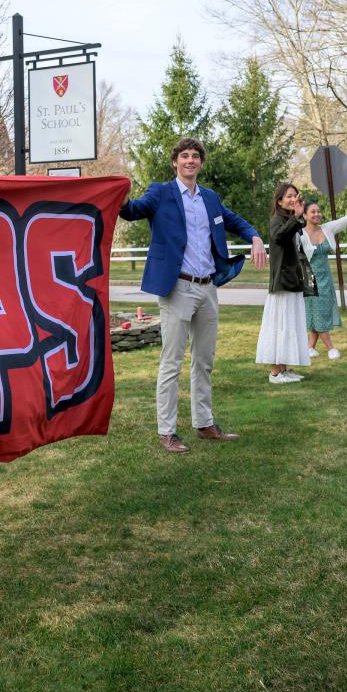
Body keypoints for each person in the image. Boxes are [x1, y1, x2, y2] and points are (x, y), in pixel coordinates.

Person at [119, 137, 267, 454]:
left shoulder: (210, 198)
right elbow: (133, 211)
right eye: (184, 156)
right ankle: (167, 431)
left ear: (201, 162)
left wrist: (253, 235)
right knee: (171, 362)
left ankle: (204, 424)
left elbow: (233, 220)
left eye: (195, 156)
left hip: (208, 287)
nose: (190, 160)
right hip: (177, 287)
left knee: (204, 361)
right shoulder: (161, 192)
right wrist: (119, 194)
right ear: (175, 162)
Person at [299, 185, 347, 360]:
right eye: (312, 212)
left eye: (318, 211)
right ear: (304, 215)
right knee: (317, 309)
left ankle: (309, 348)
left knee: (322, 310)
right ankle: (331, 348)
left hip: (325, 276)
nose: (317, 214)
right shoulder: (299, 234)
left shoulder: (327, 229)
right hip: (308, 276)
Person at [254, 184, 314, 384]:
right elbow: (280, 236)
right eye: (289, 196)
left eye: (295, 196)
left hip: (294, 281)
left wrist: (296, 219)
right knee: (279, 325)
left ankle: (285, 368)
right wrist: (296, 217)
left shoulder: (291, 221)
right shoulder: (276, 221)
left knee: (291, 324)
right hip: (282, 282)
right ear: (279, 201)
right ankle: (275, 372)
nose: (293, 199)